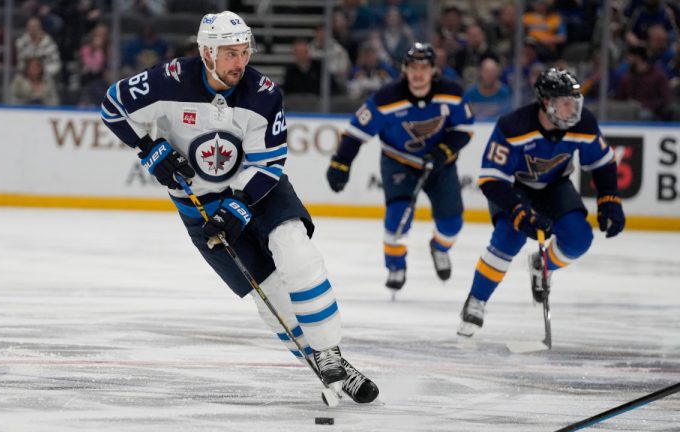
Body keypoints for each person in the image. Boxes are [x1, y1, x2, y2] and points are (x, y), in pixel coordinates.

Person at [100, 11, 378, 404]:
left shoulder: (263, 93)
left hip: (261, 192)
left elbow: (269, 163)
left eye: (244, 51)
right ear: (206, 52)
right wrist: (149, 148)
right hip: (199, 207)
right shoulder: (167, 80)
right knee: (270, 295)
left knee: (295, 250)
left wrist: (241, 204)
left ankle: (330, 350)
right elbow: (113, 106)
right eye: (230, 53)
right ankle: (327, 364)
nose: (240, 62)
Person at [457, 68, 626, 337]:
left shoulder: (582, 124)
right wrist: (518, 210)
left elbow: (603, 163)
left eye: (576, 102)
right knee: (508, 238)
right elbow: (491, 180)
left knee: (579, 237)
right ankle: (477, 299)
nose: (574, 110)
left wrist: (610, 197)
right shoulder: (513, 126)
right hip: (513, 188)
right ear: (547, 102)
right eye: (565, 103)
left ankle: (542, 265)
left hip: (554, 186)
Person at [326, 42, 474, 291]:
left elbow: (464, 129)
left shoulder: (451, 92)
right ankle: (396, 265)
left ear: (433, 70)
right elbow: (355, 132)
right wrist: (341, 163)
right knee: (397, 219)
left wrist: (443, 151)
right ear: (405, 69)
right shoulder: (386, 99)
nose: (418, 73)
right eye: (412, 67)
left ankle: (439, 247)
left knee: (452, 224)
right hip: (399, 162)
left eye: (423, 67)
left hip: (440, 165)